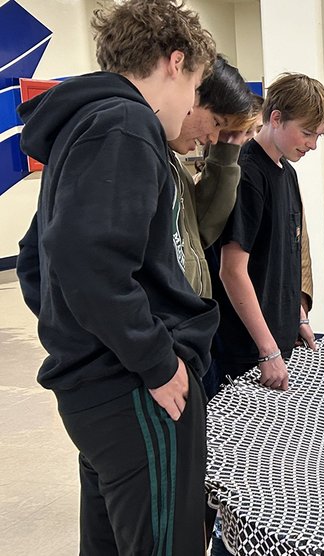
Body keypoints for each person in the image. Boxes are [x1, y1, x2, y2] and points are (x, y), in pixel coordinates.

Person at [14, 0, 217, 553]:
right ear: (175, 63)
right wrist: (152, 358)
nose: (192, 106)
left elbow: (38, 261)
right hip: (134, 388)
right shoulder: (127, 124)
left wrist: (83, 333)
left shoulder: (83, 126)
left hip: (97, 387)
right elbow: (86, 261)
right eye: (196, 87)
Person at [214, 73, 324, 391]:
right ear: (277, 118)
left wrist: (298, 317)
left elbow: (285, 257)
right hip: (247, 351)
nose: (312, 145)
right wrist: (266, 349)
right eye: (307, 133)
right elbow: (232, 271)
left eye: (318, 136)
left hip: (278, 344)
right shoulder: (248, 175)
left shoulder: (288, 173)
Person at [169, 54, 255, 299]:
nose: (213, 138)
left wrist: (226, 153)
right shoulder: (145, 158)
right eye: (217, 123)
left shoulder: (175, 168)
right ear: (192, 96)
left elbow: (202, 232)